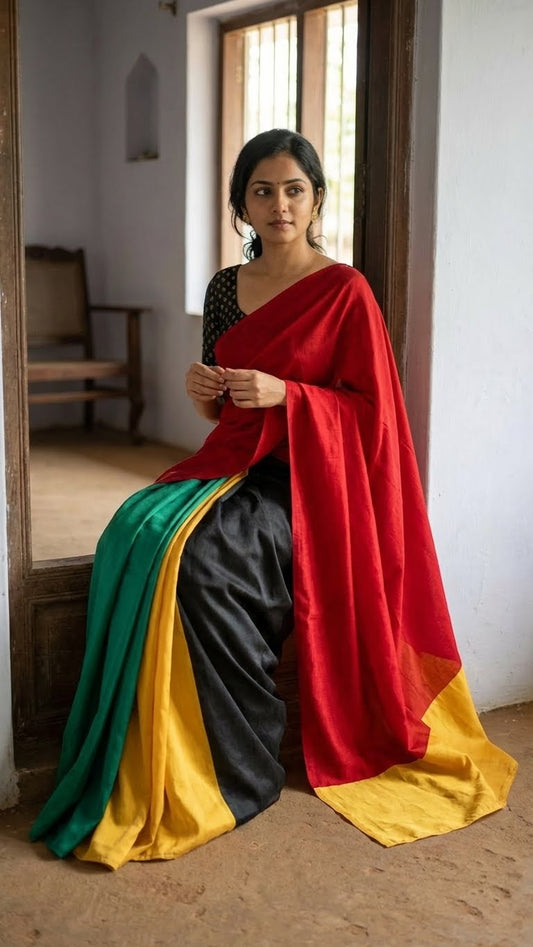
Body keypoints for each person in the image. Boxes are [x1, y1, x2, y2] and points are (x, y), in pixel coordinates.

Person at [30, 129, 517, 870]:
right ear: (242, 204)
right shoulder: (225, 289)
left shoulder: (344, 291)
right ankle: (149, 745)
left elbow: (375, 418)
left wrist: (291, 396)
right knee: (133, 528)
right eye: (262, 191)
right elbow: (220, 409)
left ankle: (242, 768)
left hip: (315, 486)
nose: (279, 204)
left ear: (316, 199)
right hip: (237, 462)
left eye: (294, 189)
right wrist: (201, 388)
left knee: (204, 559)